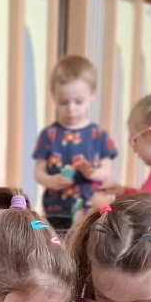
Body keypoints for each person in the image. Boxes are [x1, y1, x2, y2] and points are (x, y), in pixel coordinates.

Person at [32, 55, 119, 232]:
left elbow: (107, 171)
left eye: (78, 101)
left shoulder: (99, 135)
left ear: (92, 94)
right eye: (63, 102)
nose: (71, 108)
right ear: (54, 96)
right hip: (56, 212)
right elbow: (38, 172)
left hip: (90, 211)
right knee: (56, 245)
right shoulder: (49, 135)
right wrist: (50, 180)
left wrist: (91, 172)